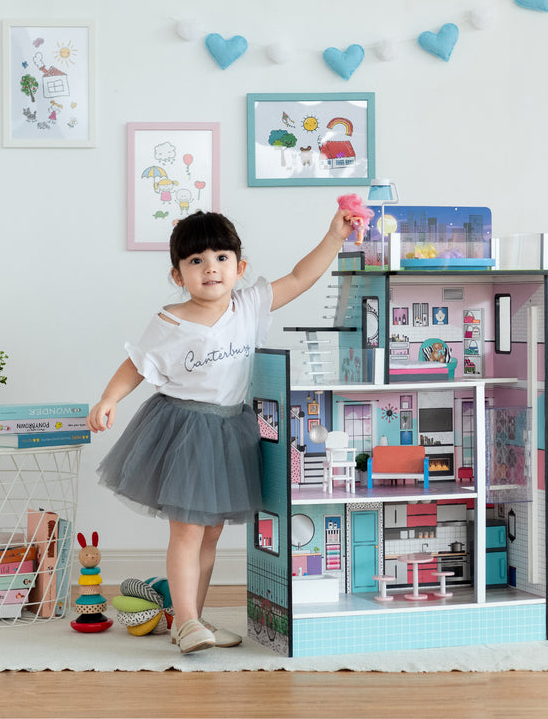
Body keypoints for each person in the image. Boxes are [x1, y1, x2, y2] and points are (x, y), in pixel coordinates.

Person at [86, 206, 361, 653]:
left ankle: (188, 616)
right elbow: (136, 365)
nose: (209, 267)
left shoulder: (249, 304)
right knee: (187, 531)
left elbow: (299, 277)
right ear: (177, 275)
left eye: (220, 257)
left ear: (239, 266)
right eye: (195, 261)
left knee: (211, 532)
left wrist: (334, 236)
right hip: (183, 430)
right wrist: (109, 398)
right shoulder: (170, 321)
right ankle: (189, 621)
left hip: (230, 429)